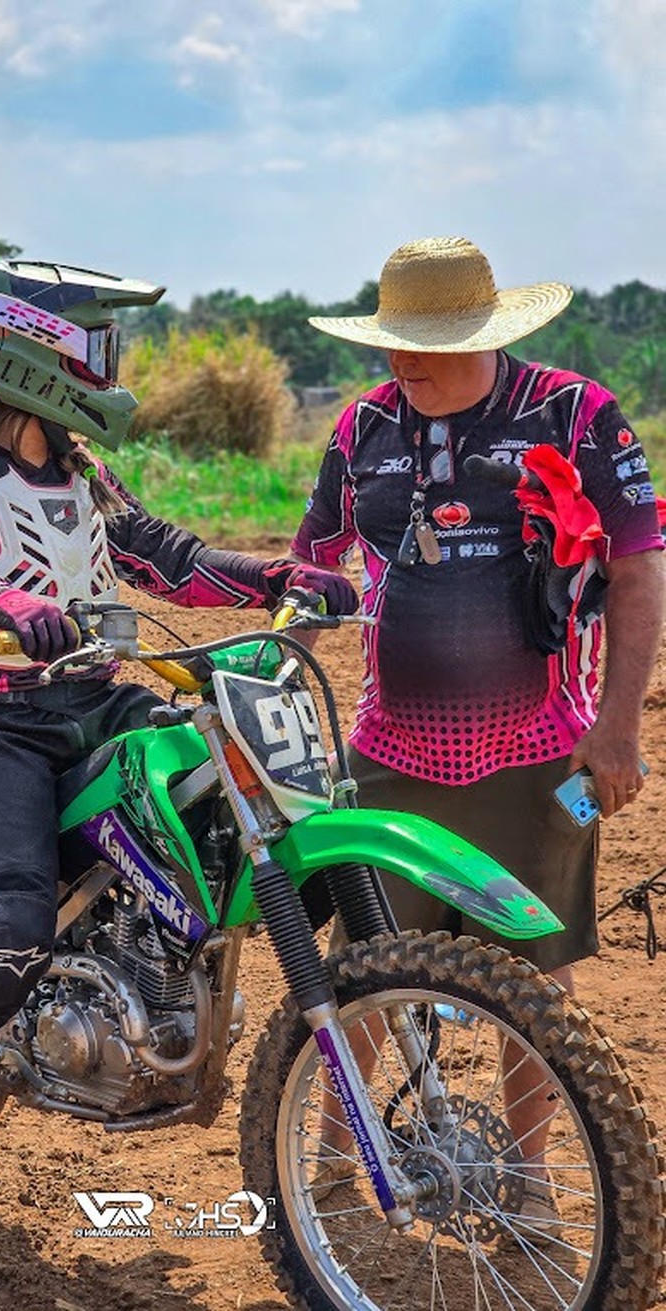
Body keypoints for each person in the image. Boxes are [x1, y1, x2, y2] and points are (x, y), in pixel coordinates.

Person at [0, 257, 358, 1240]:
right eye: (93, 346)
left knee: (220, 792)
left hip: (93, 700)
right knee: (10, 927)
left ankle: (154, 988)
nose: (107, 365)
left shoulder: (81, 472)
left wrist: (277, 577)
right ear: (27, 358)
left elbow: (166, 556)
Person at [292, 236, 665, 1230]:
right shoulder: (362, 427)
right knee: (365, 963)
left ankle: (530, 1181)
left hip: (541, 755)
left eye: (422, 344)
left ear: (480, 336)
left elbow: (639, 569)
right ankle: (331, 1163)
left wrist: (619, 727)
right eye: (391, 341)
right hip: (389, 755)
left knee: (533, 974)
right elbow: (313, 567)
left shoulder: (573, 415)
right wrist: (274, 657)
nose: (398, 361)